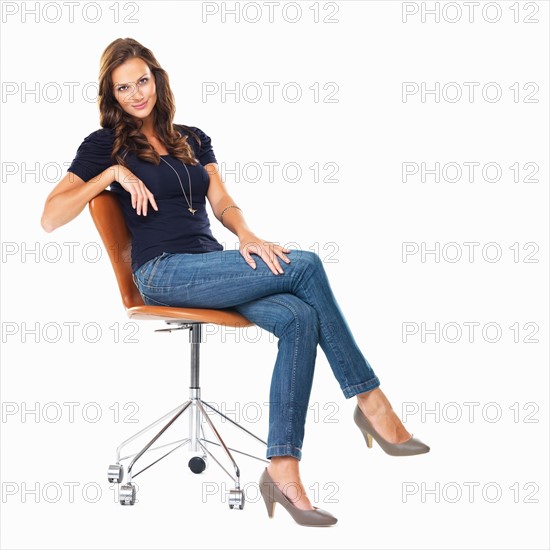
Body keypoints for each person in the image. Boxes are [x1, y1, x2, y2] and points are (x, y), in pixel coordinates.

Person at [41, 37, 429, 526]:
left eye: (142, 80)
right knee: (304, 264)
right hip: (163, 273)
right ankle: (371, 402)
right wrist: (111, 173)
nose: (136, 94)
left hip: (212, 265)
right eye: (123, 88)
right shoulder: (104, 145)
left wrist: (248, 236)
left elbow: (222, 202)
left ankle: (282, 468)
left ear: (157, 79)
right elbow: (50, 217)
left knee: (299, 315)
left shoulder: (193, 137)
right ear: (111, 95)